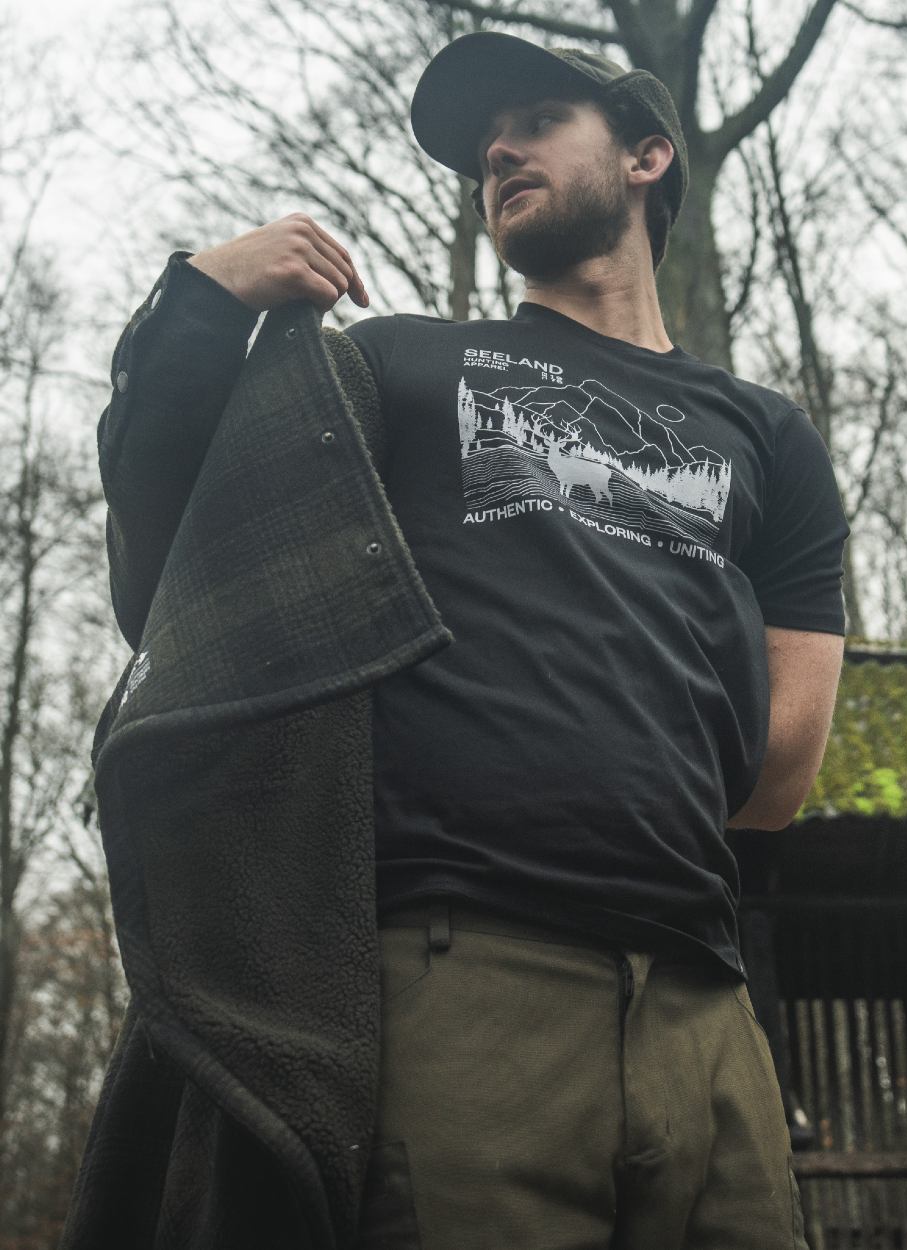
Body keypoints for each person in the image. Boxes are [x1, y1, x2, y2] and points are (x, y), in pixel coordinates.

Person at [74, 30, 847, 1250]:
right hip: (460, 979)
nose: (497, 150)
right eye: (485, 147)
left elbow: (780, 773)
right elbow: (188, 565)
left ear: (647, 155)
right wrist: (203, 304)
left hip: (704, 1008)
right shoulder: (400, 365)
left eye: (538, 117)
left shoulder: (765, 436)